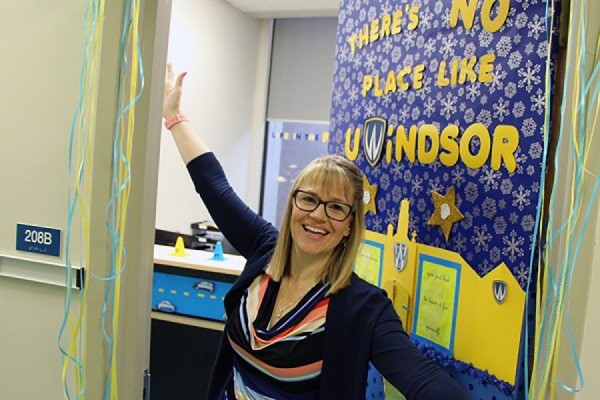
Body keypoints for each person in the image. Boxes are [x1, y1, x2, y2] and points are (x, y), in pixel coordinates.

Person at [162, 64, 468, 400]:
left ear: (350, 224)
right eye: (308, 199)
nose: (318, 215)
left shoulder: (363, 307)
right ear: (293, 203)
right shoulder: (265, 248)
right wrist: (175, 117)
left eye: (336, 207)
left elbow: (421, 378)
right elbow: (214, 187)